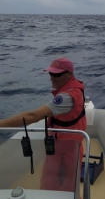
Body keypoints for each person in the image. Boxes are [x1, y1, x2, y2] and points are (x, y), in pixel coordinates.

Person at [0, 57, 86, 191]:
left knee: (62, 189)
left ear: (69, 74)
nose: (52, 77)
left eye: (57, 74)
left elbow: (33, 116)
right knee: (59, 186)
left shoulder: (66, 98)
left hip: (66, 151)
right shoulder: (74, 89)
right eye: (51, 73)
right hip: (65, 147)